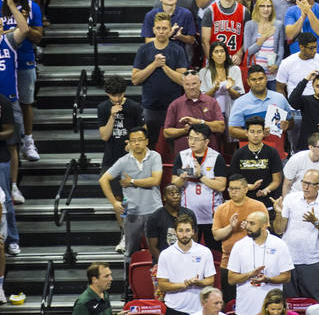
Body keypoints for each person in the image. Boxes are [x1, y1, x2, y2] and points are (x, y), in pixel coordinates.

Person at [97, 127, 163, 257]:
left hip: (155, 210)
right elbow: (103, 180)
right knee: (130, 253)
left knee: (158, 253)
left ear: (147, 141)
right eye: (133, 140)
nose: (136, 143)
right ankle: (128, 277)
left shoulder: (155, 156)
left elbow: (155, 180)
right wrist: (114, 202)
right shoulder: (123, 161)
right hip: (131, 212)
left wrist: (132, 181)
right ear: (129, 143)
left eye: (140, 140)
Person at [271, 169, 319, 298]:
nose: (306, 187)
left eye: (311, 184)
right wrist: (278, 213)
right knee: (289, 302)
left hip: (311, 261)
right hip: (287, 260)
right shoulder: (290, 199)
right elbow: (279, 230)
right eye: (304, 182)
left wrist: (315, 221)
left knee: (311, 302)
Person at [131, 12, 188, 149]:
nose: (161, 32)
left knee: (176, 146)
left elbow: (183, 80)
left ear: (170, 30)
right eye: (158, 28)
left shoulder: (178, 50)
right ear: (153, 29)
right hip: (150, 107)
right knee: (148, 145)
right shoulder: (144, 50)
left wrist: (165, 67)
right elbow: (135, 79)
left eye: (164, 28)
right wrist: (153, 65)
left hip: (173, 107)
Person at [171, 124, 229, 248]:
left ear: (206, 141)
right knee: (189, 250)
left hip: (212, 215)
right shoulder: (182, 156)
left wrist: (201, 176)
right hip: (187, 214)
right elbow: (174, 184)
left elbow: (221, 186)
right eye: (190, 138)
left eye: (196, 139)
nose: (192, 142)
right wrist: (183, 177)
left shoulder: (216, 157)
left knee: (214, 251)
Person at [227, 212, 294, 315]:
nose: (247, 227)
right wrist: (249, 274)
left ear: (263, 226)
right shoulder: (239, 246)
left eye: (252, 224)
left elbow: (287, 277)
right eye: (247, 223)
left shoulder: (279, 245)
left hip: (272, 310)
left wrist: (268, 279)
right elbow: (231, 279)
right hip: (245, 309)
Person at [157, 214, 217, 315]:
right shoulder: (165, 254)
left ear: (193, 231)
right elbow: (162, 285)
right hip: (173, 308)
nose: (184, 234)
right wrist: (184, 284)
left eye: (188, 230)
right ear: (175, 232)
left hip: (199, 309)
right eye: (180, 231)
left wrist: (198, 282)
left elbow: (211, 281)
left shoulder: (205, 252)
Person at [163, 70, 227, 158]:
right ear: (183, 85)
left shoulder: (212, 102)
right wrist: (185, 131)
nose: (191, 87)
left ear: (200, 83)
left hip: (210, 156)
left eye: (194, 83)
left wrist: (199, 122)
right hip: (184, 157)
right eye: (187, 84)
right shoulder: (175, 105)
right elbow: (167, 132)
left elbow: (221, 127)